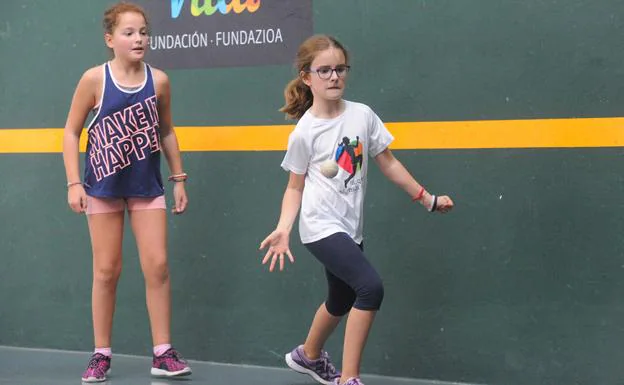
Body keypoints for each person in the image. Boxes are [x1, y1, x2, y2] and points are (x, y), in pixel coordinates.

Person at [259, 34, 454, 385]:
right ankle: (349, 379)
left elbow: (390, 164)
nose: (334, 77)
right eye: (324, 71)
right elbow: (294, 187)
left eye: (340, 69)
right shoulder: (305, 132)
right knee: (370, 287)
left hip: (351, 227)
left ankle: (309, 355)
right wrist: (284, 227)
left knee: (342, 296)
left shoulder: (362, 115)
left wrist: (428, 199)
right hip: (319, 226)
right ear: (306, 77)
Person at [62, 2, 191, 382]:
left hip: (146, 186)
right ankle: (101, 354)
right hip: (101, 187)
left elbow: (166, 130)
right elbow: (71, 132)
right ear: (110, 39)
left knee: (158, 266)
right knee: (106, 271)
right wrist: (73, 182)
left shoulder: (160, 80)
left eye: (143, 32)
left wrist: (179, 178)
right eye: (129, 33)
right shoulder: (94, 80)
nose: (139, 39)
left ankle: (162, 352)